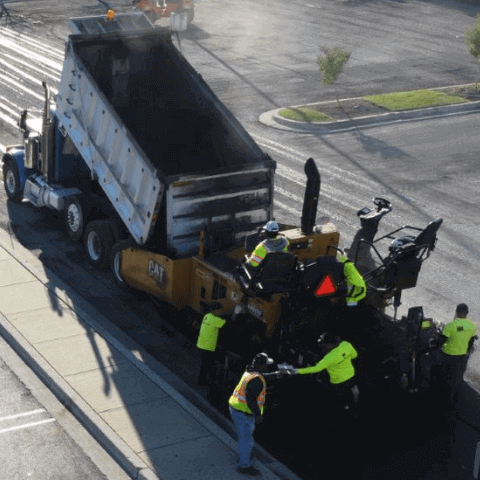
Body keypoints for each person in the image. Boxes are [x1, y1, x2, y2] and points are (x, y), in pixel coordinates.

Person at [228, 353, 284, 476]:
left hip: (236, 409)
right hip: (243, 413)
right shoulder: (256, 381)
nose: (266, 367)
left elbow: (262, 377)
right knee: (246, 440)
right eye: (266, 364)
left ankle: (245, 455)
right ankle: (243, 466)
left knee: (246, 437)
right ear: (261, 365)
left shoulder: (251, 372)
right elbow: (251, 400)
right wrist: (258, 415)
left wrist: (275, 375)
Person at [287, 333, 359, 412]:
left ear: (330, 344)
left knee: (339, 397)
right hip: (351, 376)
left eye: (324, 343)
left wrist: (298, 371)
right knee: (352, 392)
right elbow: (354, 355)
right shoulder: (346, 345)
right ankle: (352, 406)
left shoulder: (329, 358)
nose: (322, 344)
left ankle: (343, 408)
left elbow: (316, 369)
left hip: (337, 382)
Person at [439, 303, 478, 403]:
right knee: (457, 377)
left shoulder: (451, 326)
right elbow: (471, 339)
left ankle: (444, 399)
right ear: (467, 313)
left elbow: (441, 340)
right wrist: (467, 351)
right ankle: (455, 396)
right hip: (463, 356)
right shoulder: (473, 325)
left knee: (446, 376)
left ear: (457, 312)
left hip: (449, 355)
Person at [196, 312, 227, 386]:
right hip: (208, 346)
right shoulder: (213, 319)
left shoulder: (207, 316)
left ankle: (203, 380)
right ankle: (203, 381)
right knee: (207, 365)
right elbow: (224, 323)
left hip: (203, 344)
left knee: (205, 364)